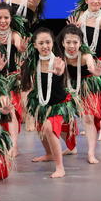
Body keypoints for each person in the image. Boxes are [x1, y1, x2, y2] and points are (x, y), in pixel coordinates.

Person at [20, 28, 78, 179]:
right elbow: (27, 83)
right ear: (35, 45)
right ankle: (49, 153)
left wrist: (58, 73)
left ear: (52, 43)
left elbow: (60, 75)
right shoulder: (33, 62)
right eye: (41, 43)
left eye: (48, 42)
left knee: (48, 128)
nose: (45, 46)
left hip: (59, 104)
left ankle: (60, 167)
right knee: (41, 128)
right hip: (41, 103)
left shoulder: (58, 62)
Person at [67, 0, 101, 140]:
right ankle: (87, 126)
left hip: (99, 63)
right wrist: (73, 29)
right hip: (82, 62)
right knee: (83, 94)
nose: (95, 1)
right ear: (86, 0)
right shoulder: (80, 16)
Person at [57, 25, 101, 163]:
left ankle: (91, 153)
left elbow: (91, 64)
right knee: (60, 118)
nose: (72, 46)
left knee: (88, 118)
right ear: (63, 43)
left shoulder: (85, 56)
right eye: (68, 42)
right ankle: (71, 147)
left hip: (87, 86)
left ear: (80, 43)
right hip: (68, 86)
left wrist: (94, 70)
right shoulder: (60, 56)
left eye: (75, 42)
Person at [0, 3, 28, 155]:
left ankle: (14, 146)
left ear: (11, 19)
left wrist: (21, 48)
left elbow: (18, 44)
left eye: (6, 17)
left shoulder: (14, 35)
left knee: (11, 112)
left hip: (10, 80)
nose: (3, 21)